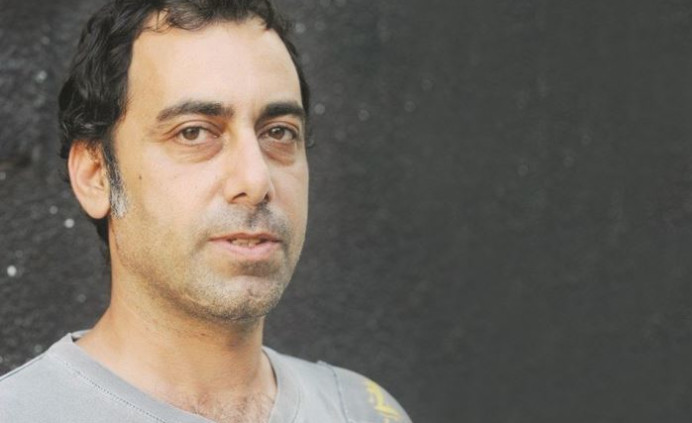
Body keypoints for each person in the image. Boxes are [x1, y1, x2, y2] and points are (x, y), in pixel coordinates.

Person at [0, 1, 411, 422]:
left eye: (279, 132)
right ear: (96, 176)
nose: (255, 180)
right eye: (194, 132)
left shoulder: (365, 411)